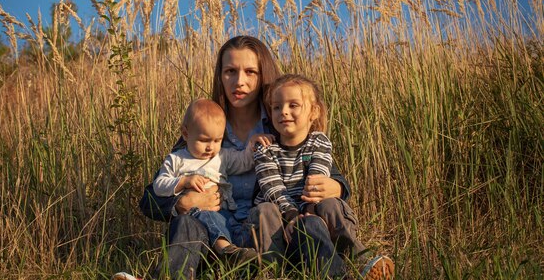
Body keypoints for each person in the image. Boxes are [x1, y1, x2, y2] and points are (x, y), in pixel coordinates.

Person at [136, 36, 349, 280]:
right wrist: (181, 203)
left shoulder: (281, 122)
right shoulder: (205, 126)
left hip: (270, 237)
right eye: (230, 71)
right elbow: (150, 197)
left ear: (263, 76)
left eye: (250, 72)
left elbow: (325, 170)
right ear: (220, 76)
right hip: (214, 239)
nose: (239, 81)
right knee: (185, 224)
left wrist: (337, 187)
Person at [254, 74, 395, 279]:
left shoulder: (319, 142)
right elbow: (272, 189)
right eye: (276, 107)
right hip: (285, 224)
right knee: (268, 211)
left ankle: (360, 258)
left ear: (314, 112)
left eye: (293, 105)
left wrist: (311, 208)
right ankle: (275, 270)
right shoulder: (266, 151)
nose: (283, 111)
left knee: (329, 205)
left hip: (315, 215)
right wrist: (293, 216)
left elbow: (318, 177)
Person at [153, 98, 262, 263]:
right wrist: (183, 182)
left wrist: (253, 146)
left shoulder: (221, 156)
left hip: (224, 212)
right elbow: (159, 185)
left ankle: (242, 259)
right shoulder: (176, 159)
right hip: (194, 217)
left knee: (233, 225)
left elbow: (242, 162)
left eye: (217, 140)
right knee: (204, 215)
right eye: (204, 140)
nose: (211, 147)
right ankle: (225, 250)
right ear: (186, 134)